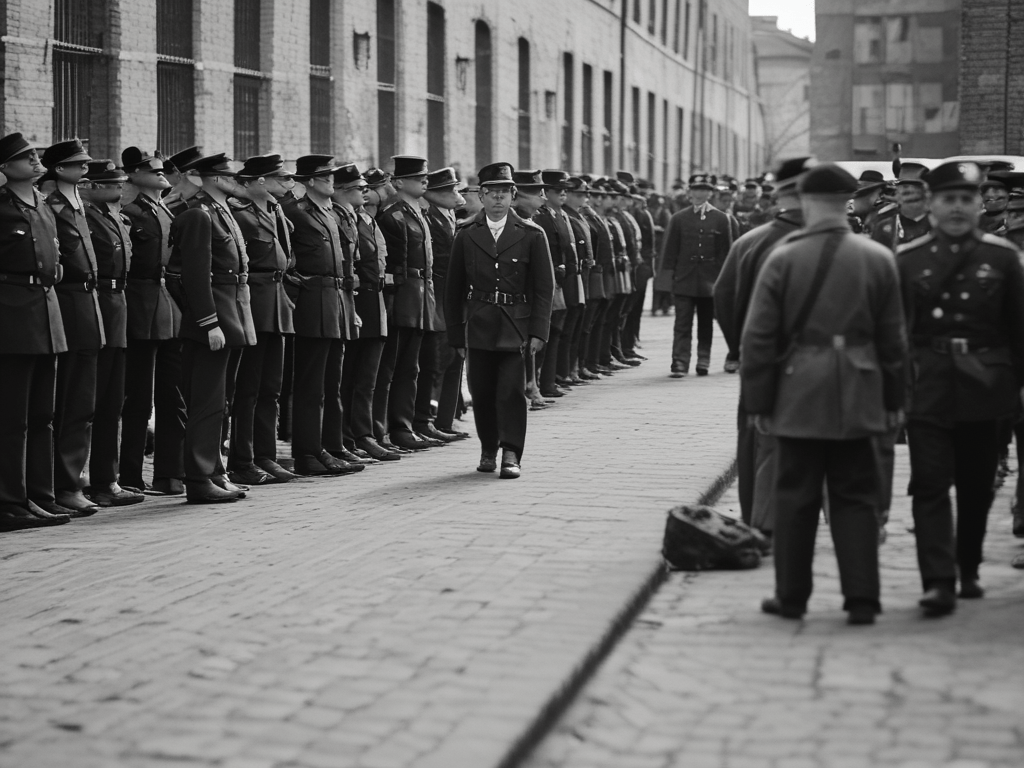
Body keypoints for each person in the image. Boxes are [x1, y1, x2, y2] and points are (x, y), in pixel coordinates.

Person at [741, 163, 907, 626]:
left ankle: (792, 596)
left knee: (795, 495)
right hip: (861, 387)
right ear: (849, 202)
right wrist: (895, 402)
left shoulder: (784, 258)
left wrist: (759, 402)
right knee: (856, 496)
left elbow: (759, 340)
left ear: (808, 202)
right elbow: (894, 340)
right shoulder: (877, 259)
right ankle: (862, 599)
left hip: (799, 390)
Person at [896, 161, 1024, 616]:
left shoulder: (1004, 258)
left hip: (986, 388)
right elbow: (896, 336)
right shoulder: (908, 260)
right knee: (929, 485)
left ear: (977, 206)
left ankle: (966, 568)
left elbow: (1018, 330)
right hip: (928, 386)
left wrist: (1017, 390)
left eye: (965, 200)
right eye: (947, 199)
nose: (956, 208)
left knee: (976, 488)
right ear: (930, 204)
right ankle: (937, 581)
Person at [714, 157, 815, 535]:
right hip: (825, 362)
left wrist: (739, 347)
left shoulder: (751, 242)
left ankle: (758, 517)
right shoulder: (840, 241)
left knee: (758, 442)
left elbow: (724, 297)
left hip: (764, 360)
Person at [444, 162, 555, 479]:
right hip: (478, 324)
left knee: (510, 390)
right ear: (481, 195)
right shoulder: (466, 234)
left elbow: (543, 289)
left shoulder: (532, 234)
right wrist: (456, 334)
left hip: (515, 325)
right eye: (491, 193)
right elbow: (453, 289)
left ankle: (511, 452)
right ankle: (488, 448)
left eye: (504, 192)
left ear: (513, 195)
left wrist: (538, 331)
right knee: (482, 391)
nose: (498, 199)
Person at [170, 152, 257, 503]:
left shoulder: (223, 214)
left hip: (232, 315)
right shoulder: (198, 215)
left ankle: (215, 471)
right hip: (213, 321)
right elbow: (191, 277)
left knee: (221, 402)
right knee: (206, 403)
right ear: (215, 179)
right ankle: (199, 477)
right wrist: (209, 323)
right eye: (231, 176)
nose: (237, 180)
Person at [0, 133, 72, 530]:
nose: (33, 160)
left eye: (33, 155)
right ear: (6, 168)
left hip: (46, 313)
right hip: (12, 315)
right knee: (13, 417)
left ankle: (40, 496)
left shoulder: (42, 204)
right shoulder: (2, 207)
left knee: (43, 414)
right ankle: (10, 501)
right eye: (23, 157)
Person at [283, 154, 364, 476]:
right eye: (326, 175)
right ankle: (307, 453)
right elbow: (288, 266)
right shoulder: (296, 213)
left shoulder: (328, 213)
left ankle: (330, 446)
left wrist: (350, 308)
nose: (332, 180)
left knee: (332, 383)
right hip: (311, 304)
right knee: (310, 386)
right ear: (311, 181)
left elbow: (344, 265)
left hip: (335, 302)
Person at [43, 139, 106, 517]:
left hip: (88, 304)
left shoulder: (79, 205)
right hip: (67, 303)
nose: (84, 170)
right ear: (59, 169)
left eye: (85, 165)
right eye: (76, 165)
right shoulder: (53, 207)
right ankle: (61, 483)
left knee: (83, 402)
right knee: (67, 400)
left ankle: (72, 479)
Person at [226, 153, 298, 484]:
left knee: (271, 387)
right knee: (248, 389)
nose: (288, 183)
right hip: (253, 303)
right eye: (281, 178)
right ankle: (243, 459)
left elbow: (288, 257)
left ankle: (265, 455)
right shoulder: (239, 214)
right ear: (259, 181)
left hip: (277, 303)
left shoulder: (276, 211)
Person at [120, 147, 187, 495]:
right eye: (152, 169)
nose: (161, 172)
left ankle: (170, 472)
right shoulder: (129, 213)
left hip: (169, 307)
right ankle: (130, 475)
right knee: (139, 398)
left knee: (172, 394)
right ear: (132, 174)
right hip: (141, 306)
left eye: (163, 169)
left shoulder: (170, 210)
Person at [80, 160, 145, 507]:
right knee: (86, 401)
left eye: (119, 181)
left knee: (111, 402)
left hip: (117, 306)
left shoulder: (112, 217)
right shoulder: (86, 216)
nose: (118, 185)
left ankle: (107, 479)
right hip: (97, 305)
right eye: (109, 182)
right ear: (89, 185)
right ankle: (81, 480)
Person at [376, 155, 441, 451]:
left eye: (425, 176)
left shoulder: (416, 212)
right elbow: (392, 266)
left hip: (420, 295)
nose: (424, 180)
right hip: (401, 296)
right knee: (392, 367)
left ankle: (405, 426)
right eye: (418, 177)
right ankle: (387, 429)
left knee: (410, 367)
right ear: (399, 182)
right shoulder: (393, 215)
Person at [344, 165, 398, 461]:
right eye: (359, 188)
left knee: (367, 376)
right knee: (350, 376)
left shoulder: (366, 220)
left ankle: (365, 434)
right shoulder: (346, 220)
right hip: (357, 301)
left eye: (366, 188)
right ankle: (351, 436)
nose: (364, 193)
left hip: (373, 301)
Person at [657, 173, 733, 378]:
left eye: (704, 190)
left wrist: (723, 280)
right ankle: (680, 362)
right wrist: (666, 281)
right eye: (696, 189)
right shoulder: (679, 218)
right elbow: (670, 251)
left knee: (705, 322)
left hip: (709, 280)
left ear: (710, 193)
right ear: (690, 192)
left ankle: (703, 360)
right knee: (682, 322)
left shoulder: (720, 218)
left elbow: (726, 252)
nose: (700, 193)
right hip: (684, 278)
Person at [420, 166, 469, 441]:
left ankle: (446, 419)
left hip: (453, 297)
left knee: (455, 357)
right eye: (449, 190)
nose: (456, 195)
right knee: (438, 359)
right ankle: (431, 419)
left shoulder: (448, 216)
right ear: (434, 194)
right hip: (438, 295)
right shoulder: (429, 218)